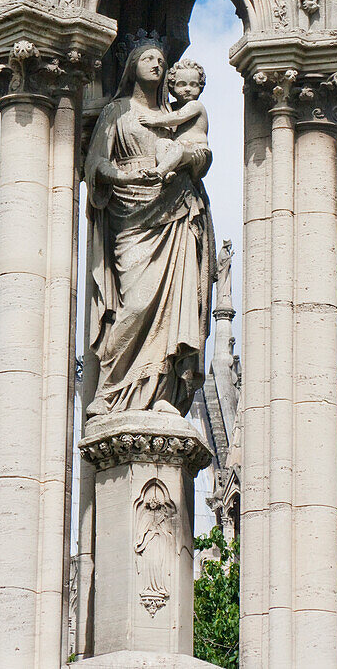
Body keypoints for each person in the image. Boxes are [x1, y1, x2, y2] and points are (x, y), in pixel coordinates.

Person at [84, 43, 216, 417]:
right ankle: (111, 389)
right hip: (130, 215)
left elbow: (199, 153)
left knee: (176, 305)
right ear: (132, 66)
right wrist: (124, 174)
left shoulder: (177, 114)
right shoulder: (117, 112)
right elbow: (96, 162)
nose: (157, 63)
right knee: (137, 303)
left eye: (161, 59)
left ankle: (162, 389)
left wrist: (189, 156)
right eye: (148, 58)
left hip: (176, 213)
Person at [138, 58, 209, 183]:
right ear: (172, 86)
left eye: (193, 84)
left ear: (200, 86)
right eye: (182, 84)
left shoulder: (196, 105)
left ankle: (160, 171)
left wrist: (154, 121)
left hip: (198, 149)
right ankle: (167, 171)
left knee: (178, 146)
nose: (188, 89)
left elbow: (178, 117)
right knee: (161, 144)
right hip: (179, 150)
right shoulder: (171, 107)